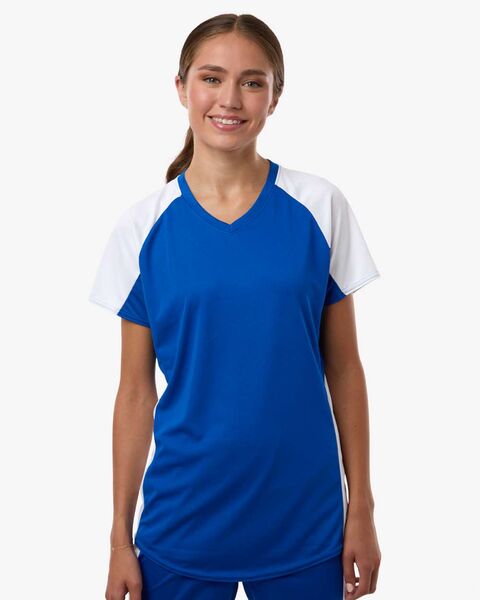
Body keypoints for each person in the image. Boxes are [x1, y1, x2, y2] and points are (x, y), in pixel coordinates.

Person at [89, 13, 382, 600]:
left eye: (252, 82)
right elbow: (135, 393)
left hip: (306, 522)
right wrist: (120, 538)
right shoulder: (141, 228)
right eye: (212, 78)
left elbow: (345, 368)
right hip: (182, 524)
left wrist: (362, 510)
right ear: (181, 88)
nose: (230, 99)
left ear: (275, 96)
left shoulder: (320, 206)